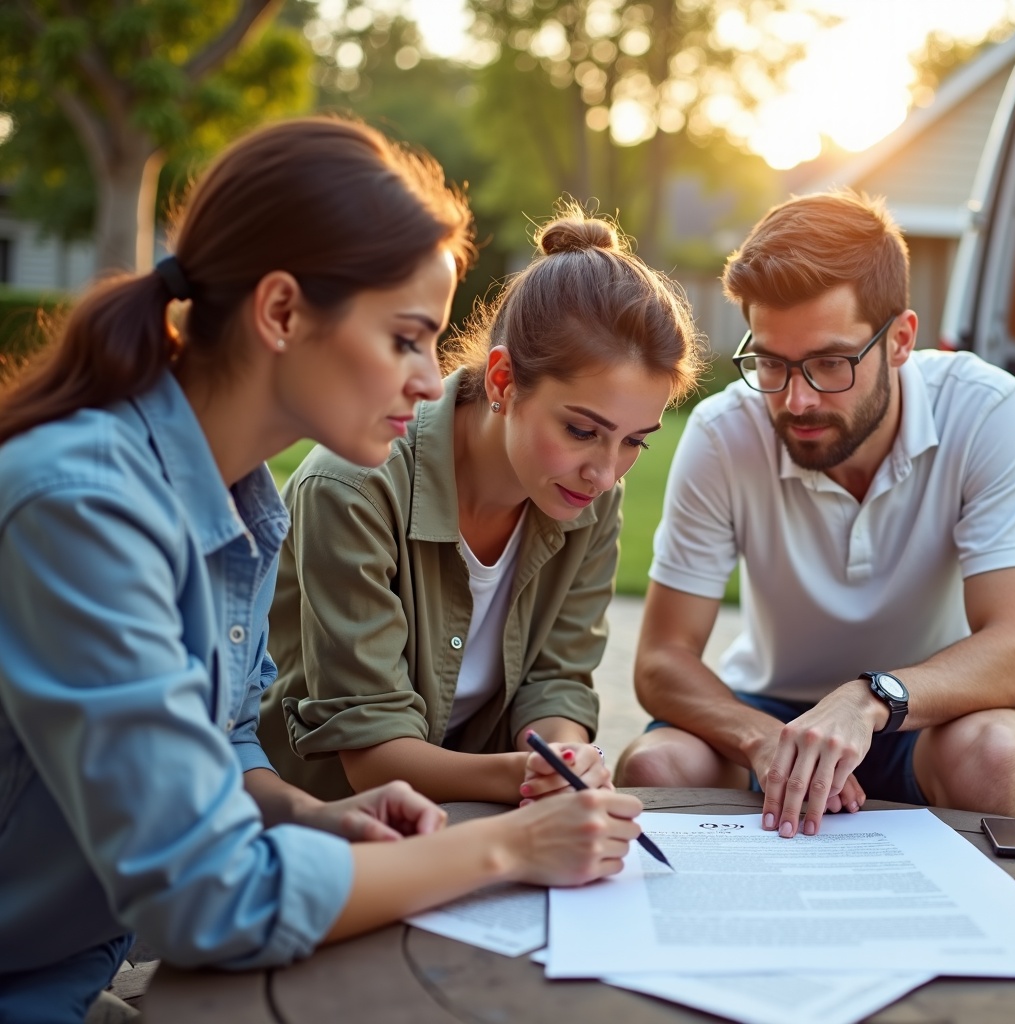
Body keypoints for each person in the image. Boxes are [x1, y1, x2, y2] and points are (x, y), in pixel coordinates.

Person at [0, 118, 642, 1023]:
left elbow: (219, 740)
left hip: (74, 969)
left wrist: (305, 815)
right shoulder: (84, 507)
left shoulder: (241, 501)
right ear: (282, 313)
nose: (429, 380)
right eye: (407, 338)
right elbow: (207, 896)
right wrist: (508, 850)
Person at [616, 190, 1015, 840]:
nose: (796, 400)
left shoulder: (988, 409)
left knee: (990, 755)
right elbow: (661, 659)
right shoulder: (723, 432)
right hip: (769, 712)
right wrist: (766, 741)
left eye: (829, 363)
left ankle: (1009, 936)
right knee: (658, 764)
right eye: (771, 363)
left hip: (930, 714)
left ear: (900, 340)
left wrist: (870, 697)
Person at [257, 207, 703, 805]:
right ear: (501, 381)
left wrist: (563, 754)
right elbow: (371, 755)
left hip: (482, 815)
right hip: (335, 828)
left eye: (635, 441)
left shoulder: (590, 499)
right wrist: (532, 777)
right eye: (580, 430)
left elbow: (556, 681)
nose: (604, 472)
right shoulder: (354, 488)